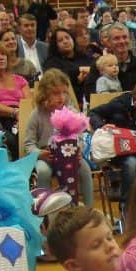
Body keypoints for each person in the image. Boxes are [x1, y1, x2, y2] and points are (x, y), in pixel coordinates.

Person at [23, 70, 94, 206]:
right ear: (44, 94)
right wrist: (39, 154)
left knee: (85, 169)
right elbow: (28, 145)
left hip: (70, 156)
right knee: (43, 172)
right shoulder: (37, 115)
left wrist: (79, 150)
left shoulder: (71, 112)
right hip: (47, 157)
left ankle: (88, 209)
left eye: (64, 92)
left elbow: (80, 137)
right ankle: (46, 212)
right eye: (56, 93)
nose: (61, 97)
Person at [89, 80, 136, 202]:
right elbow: (93, 113)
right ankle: (127, 203)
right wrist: (102, 126)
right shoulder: (119, 104)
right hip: (122, 151)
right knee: (131, 163)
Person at [43, 27, 94, 100]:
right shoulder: (52, 62)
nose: (65, 41)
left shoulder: (85, 57)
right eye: (60, 40)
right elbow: (56, 79)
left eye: (67, 38)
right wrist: (79, 71)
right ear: (55, 45)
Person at [103, 22, 136, 90]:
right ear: (109, 42)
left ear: (129, 39)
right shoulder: (100, 67)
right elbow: (91, 95)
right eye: (116, 38)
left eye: (124, 37)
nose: (122, 41)